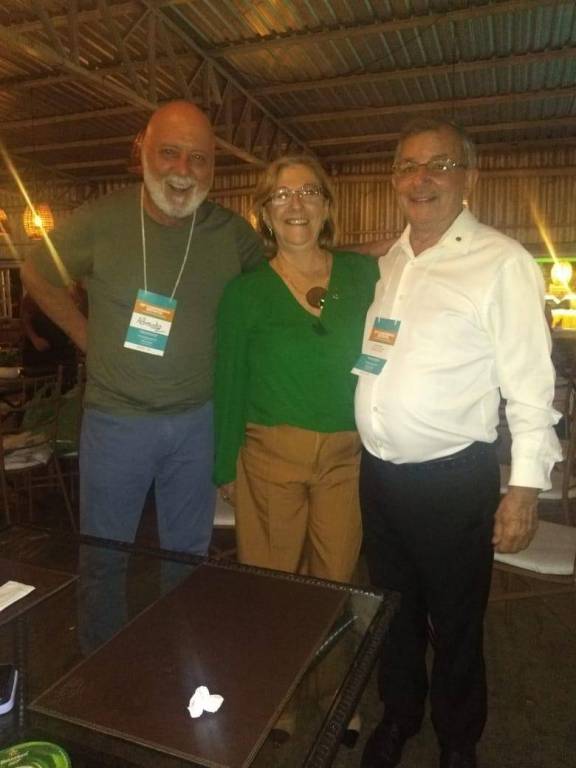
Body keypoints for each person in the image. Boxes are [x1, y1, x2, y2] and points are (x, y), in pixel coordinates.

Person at [354, 118, 562, 768]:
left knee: (456, 620)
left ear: (469, 176)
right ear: (394, 179)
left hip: (452, 481)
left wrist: (523, 489)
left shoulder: (501, 262)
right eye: (408, 166)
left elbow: (531, 385)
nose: (422, 179)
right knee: (393, 611)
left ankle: (457, 738)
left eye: (439, 165)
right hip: (379, 476)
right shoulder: (391, 261)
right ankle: (399, 715)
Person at [21, 100, 264, 555]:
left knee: (187, 556)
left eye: (198, 158)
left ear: (213, 167)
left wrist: (366, 258)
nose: (183, 170)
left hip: (198, 423)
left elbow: (287, 275)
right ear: (144, 154)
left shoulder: (230, 233)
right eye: (169, 152)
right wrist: (84, 335)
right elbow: (36, 272)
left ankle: (180, 607)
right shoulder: (100, 219)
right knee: (104, 555)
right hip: (117, 422)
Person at [214, 154, 378, 741]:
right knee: (272, 585)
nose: (296, 205)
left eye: (309, 192)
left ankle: (336, 696)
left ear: (328, 206)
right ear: (264, 212)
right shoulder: (246, 293)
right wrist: (224, 466)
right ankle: (275, 700)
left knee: (335, 584)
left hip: (345, 459)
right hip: (267, 457)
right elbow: (229, 381)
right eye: (281, 195)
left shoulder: (363, 275)